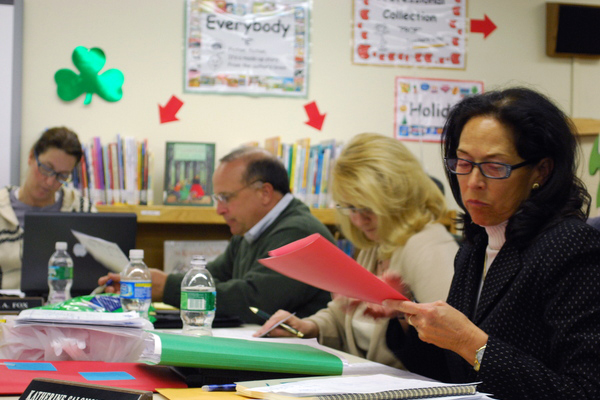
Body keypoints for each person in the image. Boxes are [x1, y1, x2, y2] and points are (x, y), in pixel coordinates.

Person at [383, 87, 600, 399]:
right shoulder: (475, 248)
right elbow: (454, 376)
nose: (473, 182)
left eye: (495, 167)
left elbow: (585, 390)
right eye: (463, 162)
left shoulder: (571, 246)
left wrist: (471, 342)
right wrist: (408, 320)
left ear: (541, 170)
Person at [254, 133, 457, 368]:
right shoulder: (375, 244)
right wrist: (308, 327)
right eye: (350, 208)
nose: (359, 220)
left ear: (398, 195)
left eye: (366, 207)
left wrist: (402, 312)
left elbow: (451, 348)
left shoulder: (428, 245)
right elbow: (344, 315)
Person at [100, 147, 334, 323]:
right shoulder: (250, 231)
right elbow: (209, 277)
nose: (219, 209)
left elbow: (252, 300)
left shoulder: (299, 232)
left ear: (264, 192)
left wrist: (167, 287)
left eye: (226, 197)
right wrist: (149, 282)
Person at [0, 126, 95, 290]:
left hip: (67, 309)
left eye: (62, 175)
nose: (50, 182)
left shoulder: (82, 210)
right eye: (46, 168)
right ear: (31, 157)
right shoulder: (3, 209)